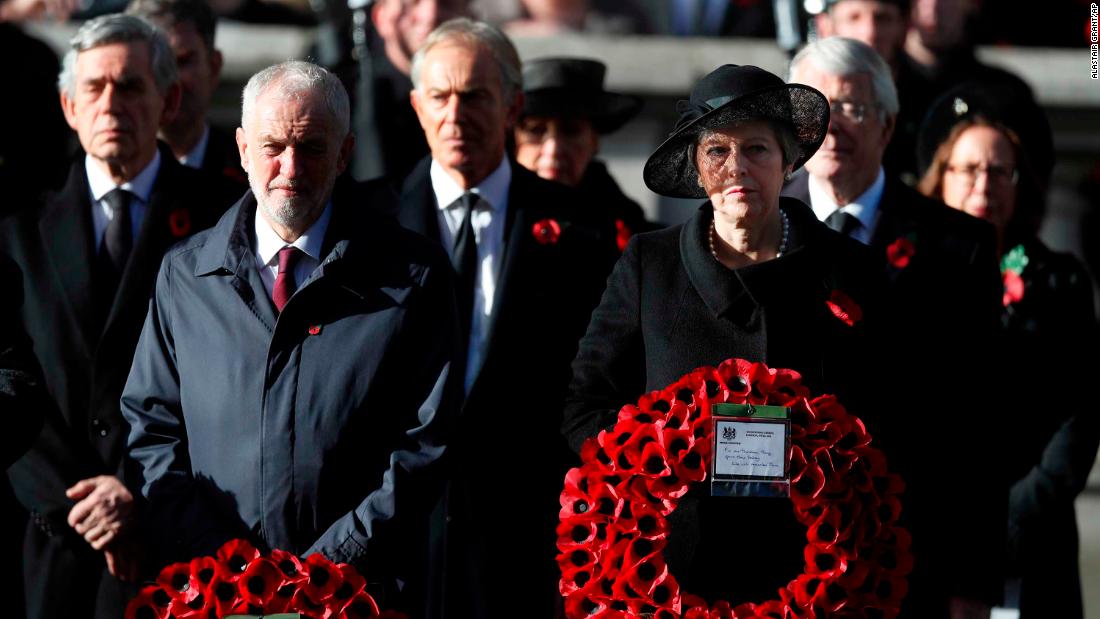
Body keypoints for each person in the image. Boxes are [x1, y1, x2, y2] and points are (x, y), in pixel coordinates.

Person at [120, 60, 461, 616]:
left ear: (346, 153)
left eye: (313, 148)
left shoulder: (411, 276)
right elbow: (151, 427)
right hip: (216, 596)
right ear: (242, 149)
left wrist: (330, 568)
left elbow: (426, 441)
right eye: (274, 145)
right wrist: (221, 562)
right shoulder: (185, 276)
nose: (291, 168)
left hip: (358, 596)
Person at [563, 62, 899, 604]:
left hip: (816, 576)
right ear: (697, 168)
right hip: (673, 577)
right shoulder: (650, 264)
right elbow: (586, 403)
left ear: (788, 161)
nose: (736, 167)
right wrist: (654, 460)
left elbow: (893, 412)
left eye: (758, 149)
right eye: (717, 151)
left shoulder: (850, 271)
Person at [366, 18, 616, 617]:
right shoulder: (366, 224)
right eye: (441, 96)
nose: (457, 115)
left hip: (523, 539)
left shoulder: (581, 228)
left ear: (512, 105)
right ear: (416, 106)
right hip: (392, 539)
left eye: (476, 95)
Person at [0, 14, 232, 619]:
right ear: (68, 105)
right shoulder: (18, 224)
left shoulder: (224, 221)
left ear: (169, 99)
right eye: (95, 88)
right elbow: (9, 381)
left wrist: (138, 494)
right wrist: (88, 507)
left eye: (130, 87)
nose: (111, 104)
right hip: (54, 542)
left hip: (179, 548)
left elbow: (227, 381)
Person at [783, 36, 1005, 617]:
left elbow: (978, 424)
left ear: (887, 125)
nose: (832, 126)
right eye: (814, 108)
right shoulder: (749, 231)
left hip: (909, 557)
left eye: (852, 109)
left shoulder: (961, 247)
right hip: (779, 557)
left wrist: (973, 582)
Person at [918, 91, 1100, 618]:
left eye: (1001, 172)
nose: (983, 185)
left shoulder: (1060, 280)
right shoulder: (908, 270)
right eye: (968, 169)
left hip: (1032, 532)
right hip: (933, 536)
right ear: (941, 177)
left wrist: (1016, 518)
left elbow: (1079, 413)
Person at [514, 56, 653, 248]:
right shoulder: (483, 217)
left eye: (570, 130)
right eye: (536, 130)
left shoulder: (636, 237)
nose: (553, 150)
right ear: (513, 139)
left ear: (594, 141)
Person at [126, 0, 246, 186]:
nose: (172, 80)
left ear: (213, 67)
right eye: (157, 65)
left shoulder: (250, 177)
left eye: (183, 62)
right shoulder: (92, 179)